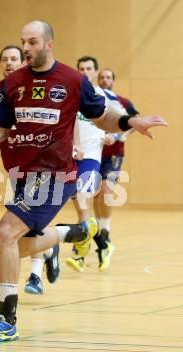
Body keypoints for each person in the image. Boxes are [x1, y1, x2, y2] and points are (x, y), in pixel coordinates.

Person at [0, 20, 167, 343]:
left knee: (4, 232)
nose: (25, 49)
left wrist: (131, 120)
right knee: (21, 243)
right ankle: (72, 232)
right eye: (22, 43)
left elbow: (102, 115)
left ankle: (5, 320)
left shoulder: (72, 80)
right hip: (23, 176)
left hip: (56, 175)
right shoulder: (12, 84)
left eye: (31, 43)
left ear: (49, 44)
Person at [0, 45, 59, 295]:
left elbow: (60, 117)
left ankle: (35, 275)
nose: (9, 63)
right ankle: (53, 245)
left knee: (26, 226)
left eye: (14, 59)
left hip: (42, 165)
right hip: (15, 166)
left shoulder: (38, 87)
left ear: (23, 61)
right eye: (4, 59)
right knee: (27, 227)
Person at [66, 56, 126, 273]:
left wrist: (113, 136)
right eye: (80, 68)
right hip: (71, 157)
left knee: (84, 200)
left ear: (95, 72)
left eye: (88, 69)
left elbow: (123, 122)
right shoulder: (70, 92)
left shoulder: (104, 96)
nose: (84, 72)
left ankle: (79, 253)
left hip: (91, 157)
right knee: (82, 209)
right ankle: (102, 244)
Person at [94, 67, 139, 252]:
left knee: (106, 190)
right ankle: (98, 232)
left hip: (114, 154)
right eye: (102, 77)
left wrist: (121, 136)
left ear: (113, 81)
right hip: (96, 152)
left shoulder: (122, 102)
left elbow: (135, 120)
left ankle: (106, 230)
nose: (105, 80)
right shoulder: (95, 101)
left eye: (108, 77)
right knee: (96, 195)